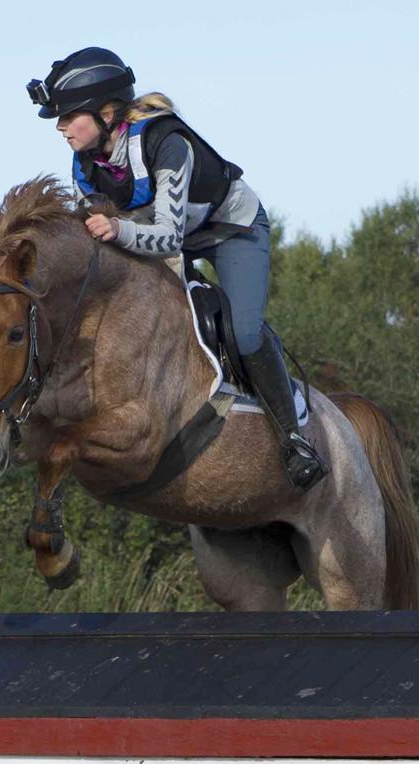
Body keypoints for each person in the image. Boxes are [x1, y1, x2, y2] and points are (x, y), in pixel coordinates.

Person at [26, 47, 329, 491]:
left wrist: (115, 228)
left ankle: (295, 437)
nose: (60, 127)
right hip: (168, 239)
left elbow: (166, 236)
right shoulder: (86, 164)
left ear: (106, 113)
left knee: (243, 332)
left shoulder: (166, 143)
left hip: (230, 232)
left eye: (70, 116)